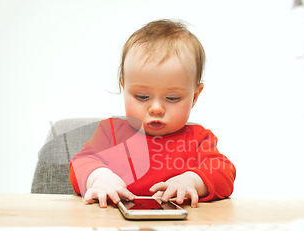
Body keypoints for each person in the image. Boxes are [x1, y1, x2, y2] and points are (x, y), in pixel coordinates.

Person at [69, 19, 236, 208]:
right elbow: (81, 162)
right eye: (142, 96)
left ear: (195, 96)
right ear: (124, 88)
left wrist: (191, 181)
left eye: (172, 98)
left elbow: (224, 172)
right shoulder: (110, 133)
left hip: (178, 230)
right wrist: (101, 179)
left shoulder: (198, 140)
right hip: (116, 228)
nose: (156, 108)